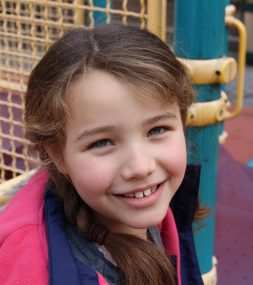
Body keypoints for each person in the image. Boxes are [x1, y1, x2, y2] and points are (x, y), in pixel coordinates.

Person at [0, 24, 197, 285]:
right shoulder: (31, 265)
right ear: (57, 155)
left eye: (157, 129)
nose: (140, 167)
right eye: (102, 142)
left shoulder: (155, 201)